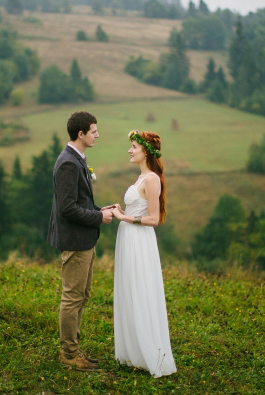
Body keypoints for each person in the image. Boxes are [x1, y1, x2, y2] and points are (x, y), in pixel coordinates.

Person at [47, 111, 114, 371]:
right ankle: (69, 354)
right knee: (72, 298)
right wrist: (99, 217)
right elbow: (67, 208)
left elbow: (80, 201)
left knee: (82, 295)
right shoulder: (68, 163)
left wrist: (99, 209)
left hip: (84, 240)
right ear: (81, 134)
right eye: (94, 131)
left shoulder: (78, 159)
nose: (97, 134)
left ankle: (73, 348)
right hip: (75, 242)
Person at [111, 130, 177, 378]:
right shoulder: (141, 178)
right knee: (129, 290)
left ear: (146, 152)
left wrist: (124, 217)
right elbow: (136, 208)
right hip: (129, 239)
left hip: (140, 241)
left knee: (141, 290)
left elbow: (153, 218)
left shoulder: (151, 179)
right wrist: (121, 210)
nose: (129, 150)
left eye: (134, 147)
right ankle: (133, 352)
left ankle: (150, 353)